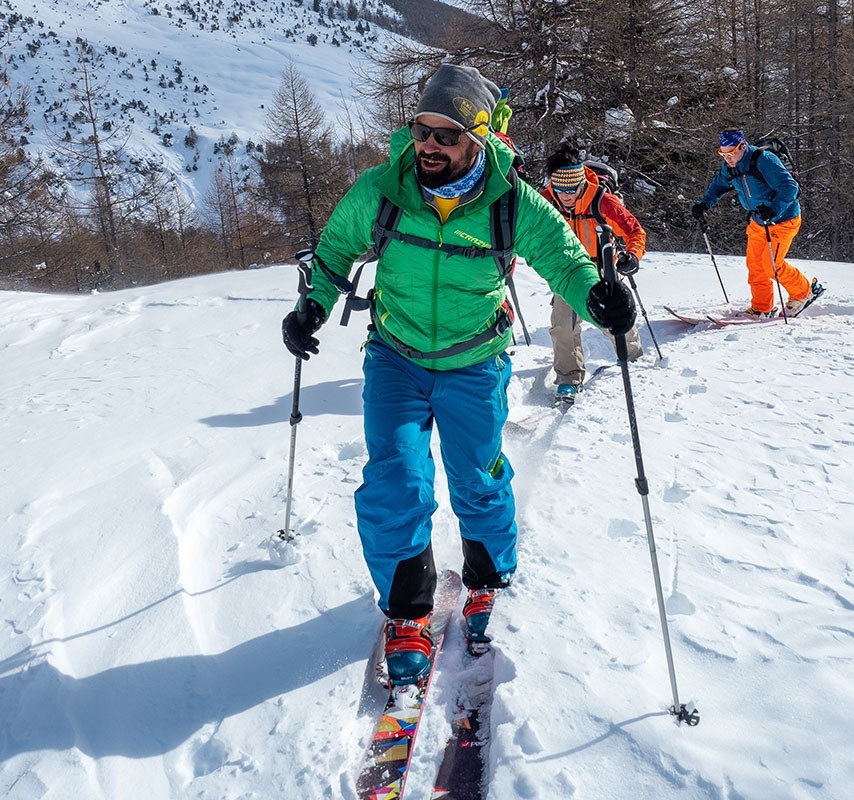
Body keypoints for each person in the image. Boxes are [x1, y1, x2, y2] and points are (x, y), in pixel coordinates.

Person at [280, 64, 636, 685]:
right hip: (396, 357)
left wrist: (596, 298)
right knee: (395, 478)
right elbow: (336, 249)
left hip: (476, 362)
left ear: (477, 136)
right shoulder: (382, 189)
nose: (429, 146)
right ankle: (409, 613)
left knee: (477, 475)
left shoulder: (511, 201)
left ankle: (484, 581)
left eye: (446, 135)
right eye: (422, 131)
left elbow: (563, 258)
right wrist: (314, 302)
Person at [540, 145, 646, 404]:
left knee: (613, 320)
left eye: (571, 190)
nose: (565, 196)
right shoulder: (544, 200)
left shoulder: (601, 200)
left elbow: (635, 232)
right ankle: (568, 379)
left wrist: (632, 256)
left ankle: (633, 358)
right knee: (563, 324)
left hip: (601, 270)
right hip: (565, 271)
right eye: (560, 190)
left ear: (581, 183)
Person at [691, 129, 822, 316]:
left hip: (783, 220)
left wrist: (774, 208)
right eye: (723, 153)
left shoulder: (764, 160)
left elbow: (790, 187)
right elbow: (719, 185)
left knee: (772, 265)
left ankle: (804, 291)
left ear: (742, 146)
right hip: (758, 221)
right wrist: (704, 204)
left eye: (730, 153)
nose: (727, 158)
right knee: (755, 266)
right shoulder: (730, 166)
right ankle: (762, 307)